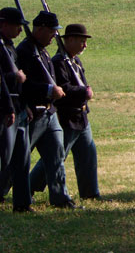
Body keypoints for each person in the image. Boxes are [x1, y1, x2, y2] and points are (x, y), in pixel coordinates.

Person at [29, 23, 107, 201]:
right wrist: (84, 92)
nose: (84, 45)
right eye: (81, 41)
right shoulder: (58, 63)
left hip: (81, 117)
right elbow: (63, 89)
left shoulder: (75, 62)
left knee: (88, 154)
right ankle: (30, 185)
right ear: (69, 40)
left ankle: (90, 193)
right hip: (67, 118)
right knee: (56, 157)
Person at [17, 10, 80, 209]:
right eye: (52, 31)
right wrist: (47, 90)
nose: (55, 35)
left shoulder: (43, 51)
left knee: (56, 157)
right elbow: (22, 86)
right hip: (33, 114)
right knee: (19, 159)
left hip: (49, 113)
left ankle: (60, 198)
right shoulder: (25, 51)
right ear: (40, 29)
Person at [0, 7, 33, 212]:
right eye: (16, 25)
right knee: (4, 157)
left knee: (22, 160)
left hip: (18, 106)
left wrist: (25, 105)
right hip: (5, 108)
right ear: (3, 24)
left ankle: (22, 203)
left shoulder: (10, 47)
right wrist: (15, 77)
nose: (20, 30)